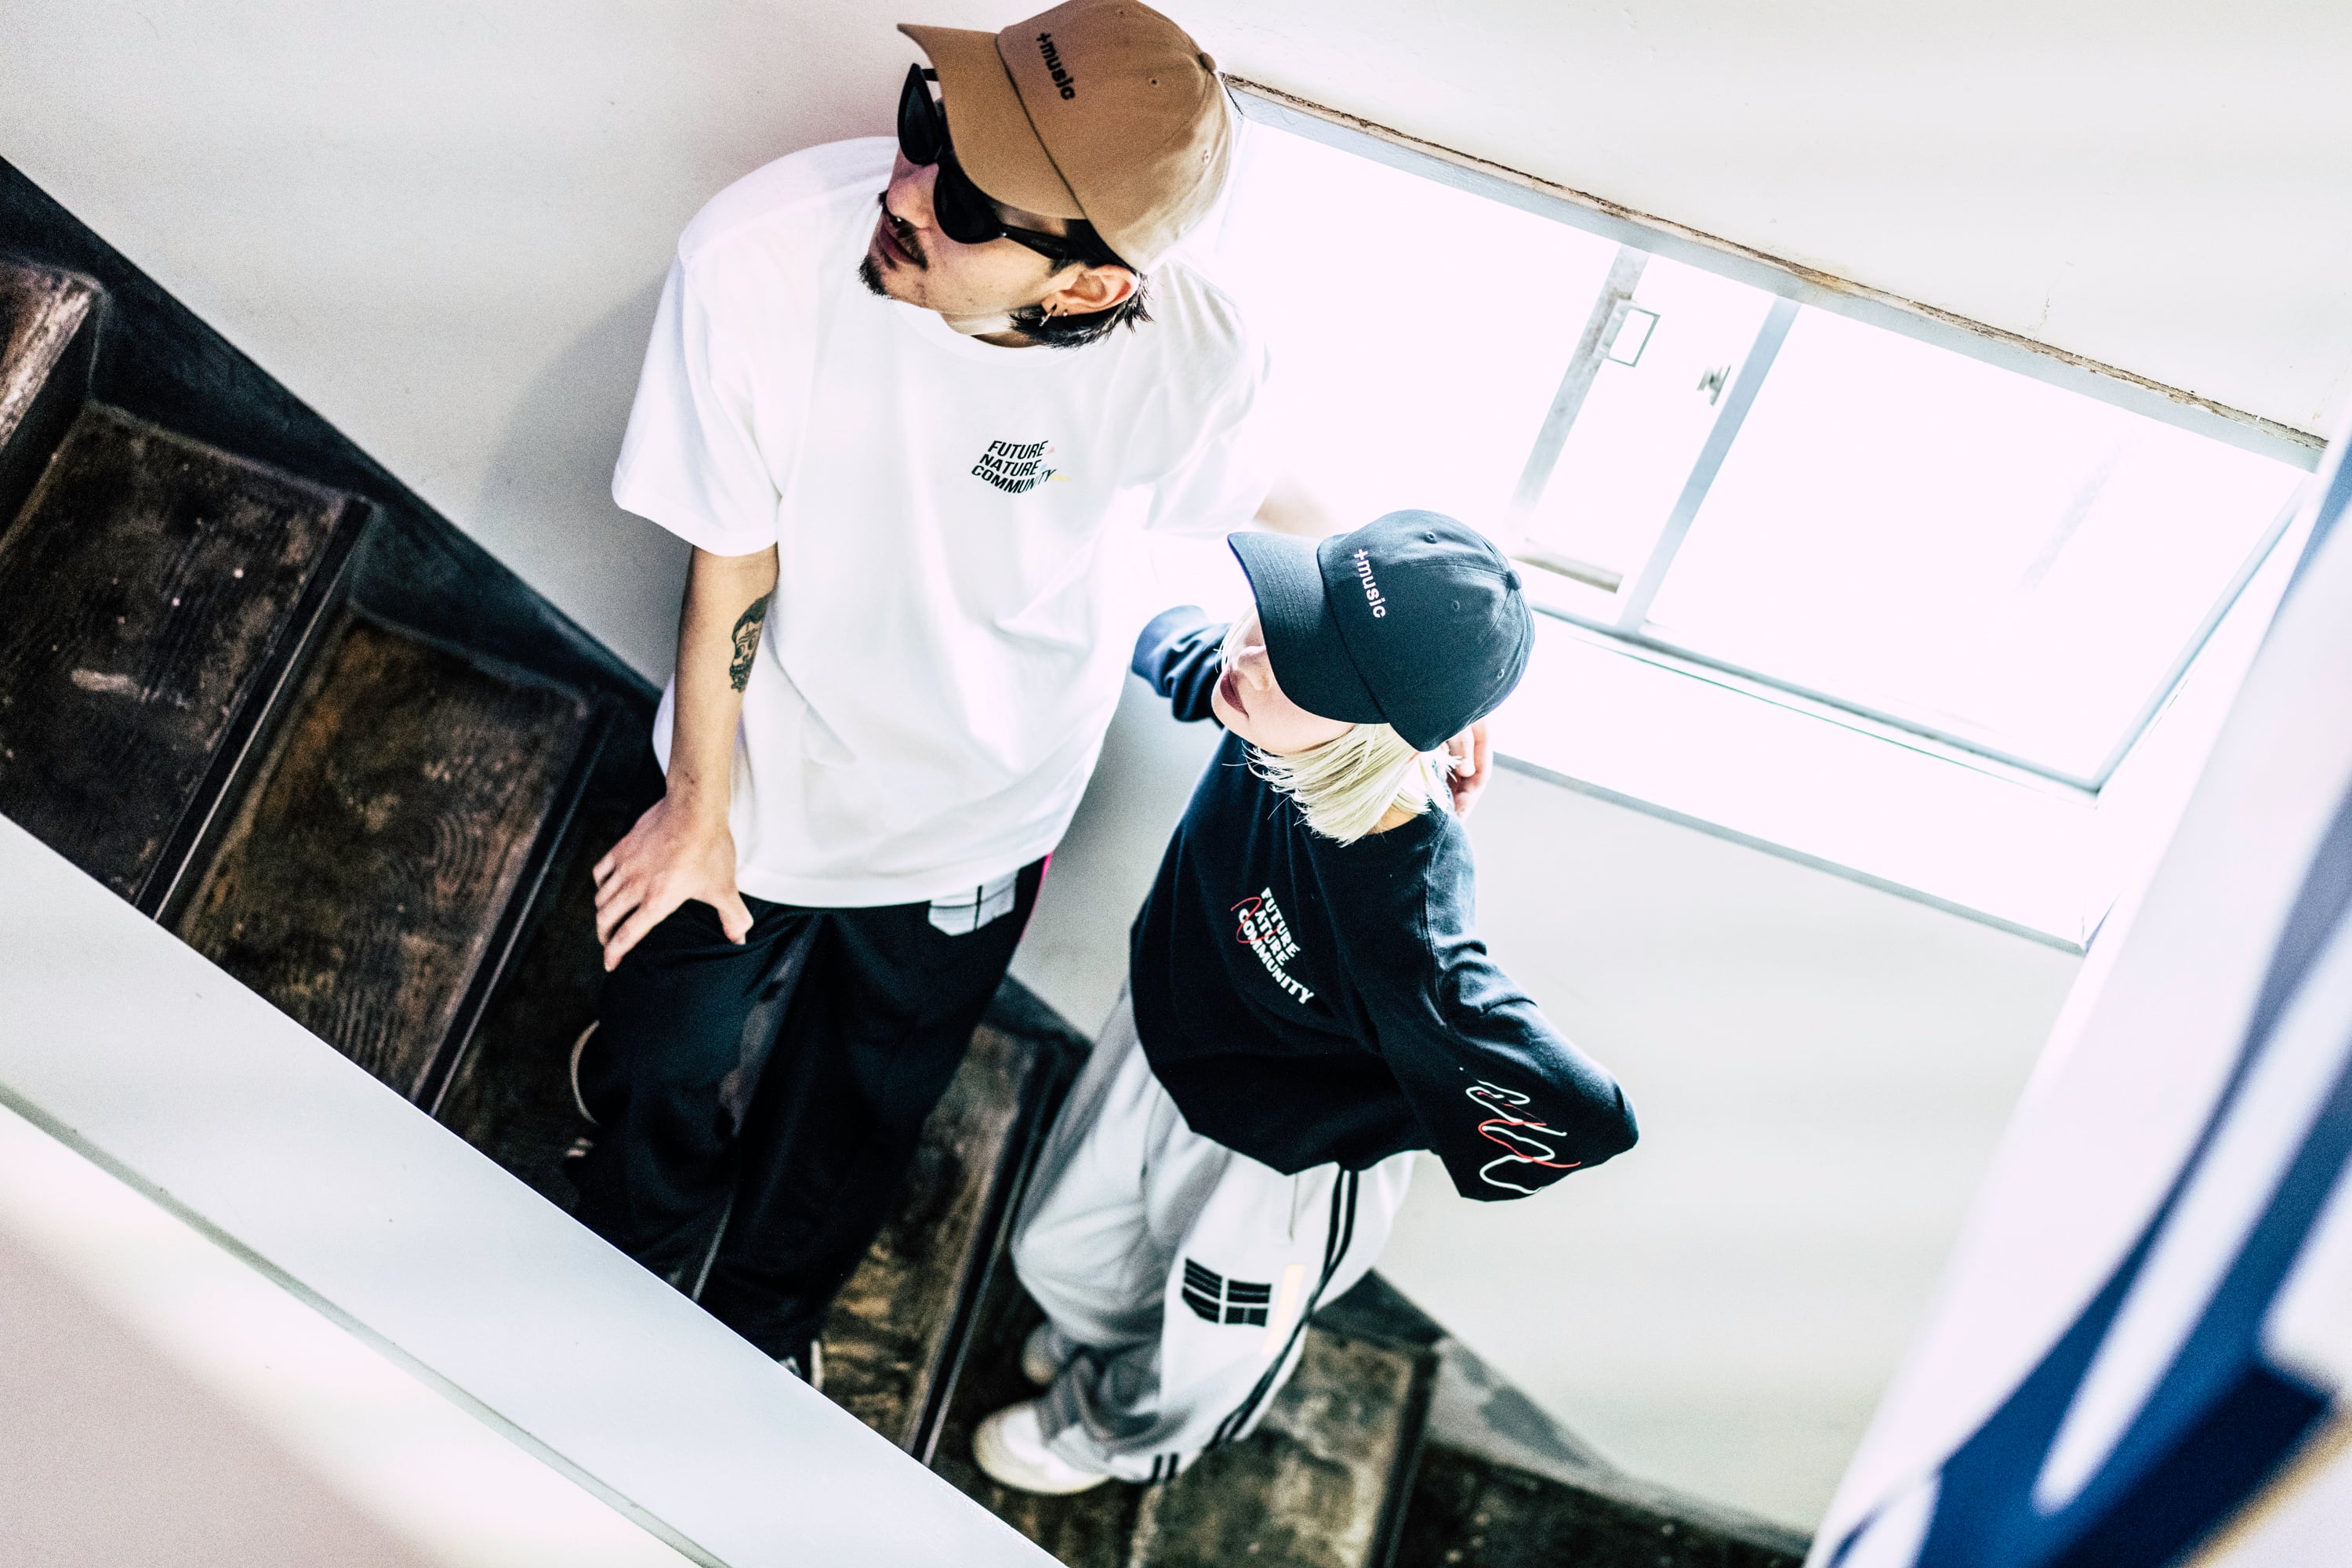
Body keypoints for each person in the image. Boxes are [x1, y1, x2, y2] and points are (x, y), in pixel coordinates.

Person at [567, 0, 1368, 1381]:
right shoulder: (761, 258)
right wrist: (696, 808)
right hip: (755, 766)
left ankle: (759, 1338)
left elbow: (1268, 497)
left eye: (971, 204)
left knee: (861, 1111)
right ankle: (631, 1252)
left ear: (1089, 288)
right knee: (657, 1055)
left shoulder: (1189, 355)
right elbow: (732, 558)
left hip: (984, 812)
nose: (905, 190)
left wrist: (1419, 657)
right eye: (927, 122)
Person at [972, 510, 1639, 1493]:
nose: (1250, 650)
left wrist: (1392, 1110)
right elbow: (1173, 639)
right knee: (1058, 1248)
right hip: (1165, 1036)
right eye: (1279, 615)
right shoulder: (1258, 706)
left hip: (1281, 1164)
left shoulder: (1406, 904)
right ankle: (1103, 1352)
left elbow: (1585, 1115)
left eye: (1301, 663)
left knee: (1212, 1345)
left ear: (1367, 736)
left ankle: (1110, 1437)